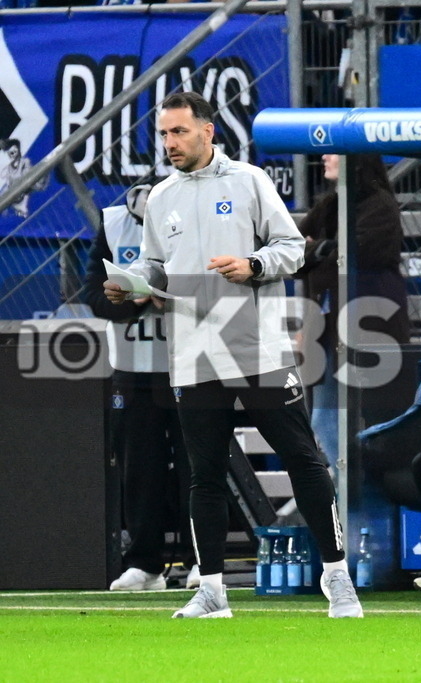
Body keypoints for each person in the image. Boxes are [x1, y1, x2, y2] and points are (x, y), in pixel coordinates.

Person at [103, 92, 361, 619]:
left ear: (208, 132)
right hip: (193, 352)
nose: (170, 143)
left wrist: (253, 264)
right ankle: (213, 592)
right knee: (204, 473)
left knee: (303, 460)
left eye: (179, 132)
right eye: (164, 134)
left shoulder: (249, 181)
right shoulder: (161, 198)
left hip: (257, 348)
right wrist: (133, 286)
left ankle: (338, 579)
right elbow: (156, 266)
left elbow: (293, 248)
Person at [83, 182, 198, 592]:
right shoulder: (113, 223)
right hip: (133, 371)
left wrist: (177, 297)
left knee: (198, 465)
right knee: (139, 469)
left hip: (189, 364)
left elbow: (219, 288)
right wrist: (129, 301)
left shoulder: (197, 222)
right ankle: (145, 564)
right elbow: (92, 293)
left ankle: (202, 558)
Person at [296, 152, 409, 468]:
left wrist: (318, 253)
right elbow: (293, 254)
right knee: (324, 419)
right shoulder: (329, 205)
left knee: (376, 420)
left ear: (356, 159)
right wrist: (323, 251)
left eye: (333, 152)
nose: (323, 156)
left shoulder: (379, 205)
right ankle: (350, 495)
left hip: (373, 328)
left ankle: (367, 497)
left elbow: (353, 261)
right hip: (330, 330)